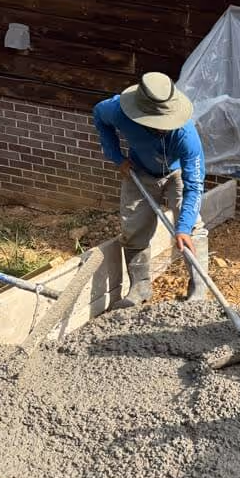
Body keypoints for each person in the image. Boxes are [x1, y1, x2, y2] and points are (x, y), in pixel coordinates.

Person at [93, 72, 208, 309]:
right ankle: (140, 287)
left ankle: (198, 289)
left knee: (192, 228)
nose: (162, 129)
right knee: (133, 228)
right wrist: (117, 157)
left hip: (176, 174)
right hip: (140, 171)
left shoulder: (186, 135)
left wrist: (183, 227)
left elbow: (194, 185)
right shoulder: (116, 111)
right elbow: (98, 116)